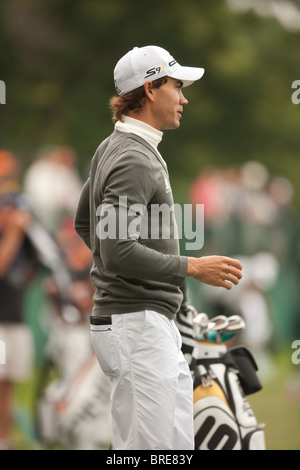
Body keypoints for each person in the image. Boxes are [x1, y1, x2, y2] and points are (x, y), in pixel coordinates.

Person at [74, 45, 243, 450]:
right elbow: (116, 250)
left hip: (143, 323)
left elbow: (86, 225)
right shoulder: (133, 157)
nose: (184, 97)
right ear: (150, 89)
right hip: (137, 327)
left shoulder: (119, 147)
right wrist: (191, 267)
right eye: (176, 86)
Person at [0, 151, 36, 450]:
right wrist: (13, 234)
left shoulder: (23, 236)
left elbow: (32, 273)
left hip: (16, 317)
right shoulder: (10, 234)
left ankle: (5, 439)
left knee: (9, 384)